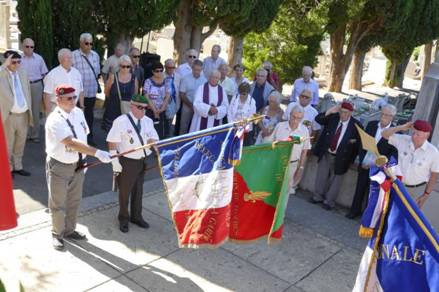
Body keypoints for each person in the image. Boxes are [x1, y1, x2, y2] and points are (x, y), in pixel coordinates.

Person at [45, 85, 112, 250]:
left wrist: (85, 157)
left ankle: (69, 230)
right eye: (69, 98)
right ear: (58, 100)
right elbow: (70, 142)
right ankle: (57, 234)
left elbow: (83, 137)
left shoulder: (79, 113)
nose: (73, 101)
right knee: (58, 202)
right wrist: (97, 153)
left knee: (74, 200)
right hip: (60, 165)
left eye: (74, 97)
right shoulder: (55, 119)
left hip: (78, 164)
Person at [107, 94, 159, 233]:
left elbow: (153, 138)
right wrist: (114, 161)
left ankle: (136, 216)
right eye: (140, 108)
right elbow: (112, 142)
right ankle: (123, 218)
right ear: (132, 106)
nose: (143, 111)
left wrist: (152, 144)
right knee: (125, 192)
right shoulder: (121, 121)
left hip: (142, 160)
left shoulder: (148, 121)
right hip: (127, 161)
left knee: (138, 190)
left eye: (145, 108)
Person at [346, 104, 398, 219]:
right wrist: (362, 159)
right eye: (383, 114)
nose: (384, 117)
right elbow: (361, 143)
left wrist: (378, 165)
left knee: (372, 194)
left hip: (378, 169)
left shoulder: (395, 133)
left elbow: (392, 154)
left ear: (392, 117)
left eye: (387, 115)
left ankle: (367, 217)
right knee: (359, 189)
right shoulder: (371, 125)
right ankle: (354, 211)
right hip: (364, 163)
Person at [311, 102, 362, 210]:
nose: (343, 115)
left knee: (336, 181)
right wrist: (331, 110)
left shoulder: (356, 125)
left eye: (346, 113)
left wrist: (351, 160)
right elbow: (318, 119)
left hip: (342, 157)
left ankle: (329, 202)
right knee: (321, 176)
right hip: (327, 152)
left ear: (351, 113)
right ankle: (317, 196)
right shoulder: (333, 118)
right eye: (341, 112)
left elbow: (358, 145)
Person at [381, 120, 439, 211]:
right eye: (413, 132)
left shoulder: (433, 152)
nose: (414, 136)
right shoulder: (404, 140)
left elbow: (434, 176)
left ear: (426, 136)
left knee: (406, 218)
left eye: (418, 134)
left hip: (416, 191)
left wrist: (426, 195)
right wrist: (401, 127)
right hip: (397, 186)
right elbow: (384, 134)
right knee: (389, 213)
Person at [0, 50, 33, 177]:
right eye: (13, 62)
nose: (16, 64)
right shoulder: (2, 74)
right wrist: (4, 65)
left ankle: (18, 166)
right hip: (9, 116)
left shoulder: (22, 73)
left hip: (23, 115)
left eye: (19, 62)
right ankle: (8, 168)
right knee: (8, 144)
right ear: (7, 62)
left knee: (20, 143)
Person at [272, 105, 311, 194]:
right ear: (290, 115)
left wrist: (301, 168)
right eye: (294, 117)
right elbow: (271, 144)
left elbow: (304, 151)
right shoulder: (280, 126)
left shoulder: (304, 131)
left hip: (292, 165)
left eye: (299, 118)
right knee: (272, 190)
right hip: (277, 163)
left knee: (285, 193)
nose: (295, 120)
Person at [72, 33, 101, 146]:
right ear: (81, 43)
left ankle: (89, 137)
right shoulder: (73, 55)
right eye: (86, 43)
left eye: (91, 43)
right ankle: (77, 138)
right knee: (77, 115)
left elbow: (97, 72)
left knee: (89, 115)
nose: (89, 46)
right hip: (78, 93)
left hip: (91, 91)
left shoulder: (95, 55)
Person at [20, 38, 48, 143]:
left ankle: (35, 134)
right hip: (23, 85)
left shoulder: (39, 59)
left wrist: (46, 89)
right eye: (27, 46)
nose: (29, 49)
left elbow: (45, 74)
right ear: (23, 47)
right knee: (24, 110)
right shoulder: (19, 59)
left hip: (36, 85)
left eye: (32, 47)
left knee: (35, 111)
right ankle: (26, 134)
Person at [102, 55, 138, 131]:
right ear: (119, 66)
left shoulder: (134, 78)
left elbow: (135, 95)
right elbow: (106, 92)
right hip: (113, 110)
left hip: (127, 111)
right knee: (112, 135)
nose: (125, 69)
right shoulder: (112, 77)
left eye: (128, 66)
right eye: (123, 66)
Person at [44, 49, 83, 113]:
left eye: (71, 57)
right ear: (60, 60)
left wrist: (81, 107)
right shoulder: (52, 74)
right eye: (67, 58)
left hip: (74, 108)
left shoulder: (77, 73)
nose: (70, 60)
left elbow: (81, 91)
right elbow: (46, 94)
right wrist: (48, 112)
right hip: (57, 109)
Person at [178, 59, 206, 135]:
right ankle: (181, 143)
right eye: (195, 69)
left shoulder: (204, 81)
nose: (197, 72)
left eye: (199, 70)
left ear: (201, 70)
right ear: (192, 68)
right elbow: (182, 94)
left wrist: (197, 106)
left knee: (196, 127)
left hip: (199, 108)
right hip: (187, 106)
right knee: (184, 127)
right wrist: (191, 105)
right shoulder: (185, 78)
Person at [143, 61, 170, 139]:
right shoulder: (148, 81)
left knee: (161, 132)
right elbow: (146, 96)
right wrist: (155, 110)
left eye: (161, 70)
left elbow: (168, 95)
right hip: (150, 110)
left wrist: (161, 109)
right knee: (148, 131)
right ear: (152, 71)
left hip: (162, 110)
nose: (159, 73)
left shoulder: (166, 81)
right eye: (157, 71)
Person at [164, 59, 180, 137]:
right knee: (164, 123)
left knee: (171, 123)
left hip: (174, 101)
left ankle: (169, 138)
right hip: (164, 102)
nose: (171, 69)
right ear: (165, 67)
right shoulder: (161, 76)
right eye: (169, 67)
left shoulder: (178, 77)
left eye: (173, 67)